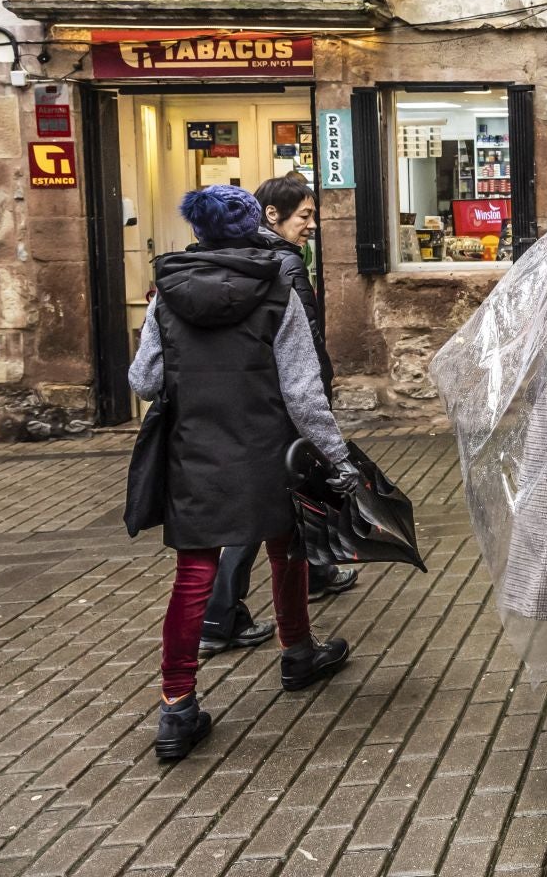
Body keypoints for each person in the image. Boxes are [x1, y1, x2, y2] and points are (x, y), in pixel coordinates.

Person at [130, 184, 356, 763]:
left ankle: (177, 706)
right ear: (255, 226)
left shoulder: (166, 294)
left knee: (193, 577)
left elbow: (145, 382)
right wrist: (338, 459)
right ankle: (298, 653)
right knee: (287, 551)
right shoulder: (276, 288)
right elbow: (304, 394)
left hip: (195, 452)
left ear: (199, 231)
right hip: (265, 447)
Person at [199, 174, 357, 656]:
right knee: (268, 515)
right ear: (271, 215)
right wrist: (320, 401)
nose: (312, 225)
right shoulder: (282, 266)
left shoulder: (214, 272)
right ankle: (223, 616)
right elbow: (303, 342)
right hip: (275, 411)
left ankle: (312, 581)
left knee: (275, 513)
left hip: (233, 416)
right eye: (305, 216)